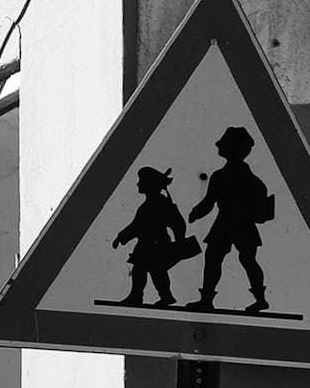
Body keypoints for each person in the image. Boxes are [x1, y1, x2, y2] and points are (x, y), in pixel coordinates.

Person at [187, 125, 273, 313]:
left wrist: (196, 212)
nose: (219, 145)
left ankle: (260, 299)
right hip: (228, 224)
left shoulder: (239, 179)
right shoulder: (241, 178)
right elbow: (209, 202)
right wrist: (196, 212)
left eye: (224, 143)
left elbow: (209, 203)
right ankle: (207, 300)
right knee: (217, 258)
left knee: (245, 260)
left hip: (237, 224)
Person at [105, 166, 190, 307]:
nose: (138, 184)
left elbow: (178, 223)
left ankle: (161, 296)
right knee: (142, 271)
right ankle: (140, 296)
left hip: (157, 244)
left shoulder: (161, 203)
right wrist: (121, 237)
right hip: (145, 244)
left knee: (155, 272)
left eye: (141, 181)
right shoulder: (147, 205)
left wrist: (179, 240)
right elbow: (136, 226)